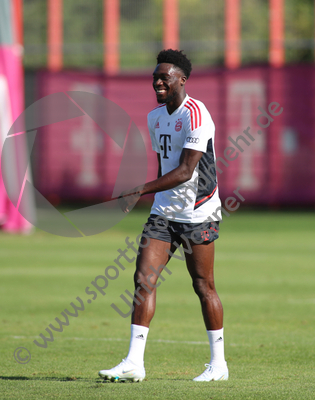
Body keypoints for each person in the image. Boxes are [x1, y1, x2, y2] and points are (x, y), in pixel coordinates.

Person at [99, 49, 228, 382]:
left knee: (204, 286)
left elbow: (186, 171)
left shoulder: (197, 114)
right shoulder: (155, 117)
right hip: (164, 213)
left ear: (182, 80)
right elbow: (165, 166)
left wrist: (139, 189)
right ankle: (134, 363)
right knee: (143, 280)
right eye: (155, 77)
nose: (157, 82)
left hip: (199, 212)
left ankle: (219, 365)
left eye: (164, 77)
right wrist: (153, 196)